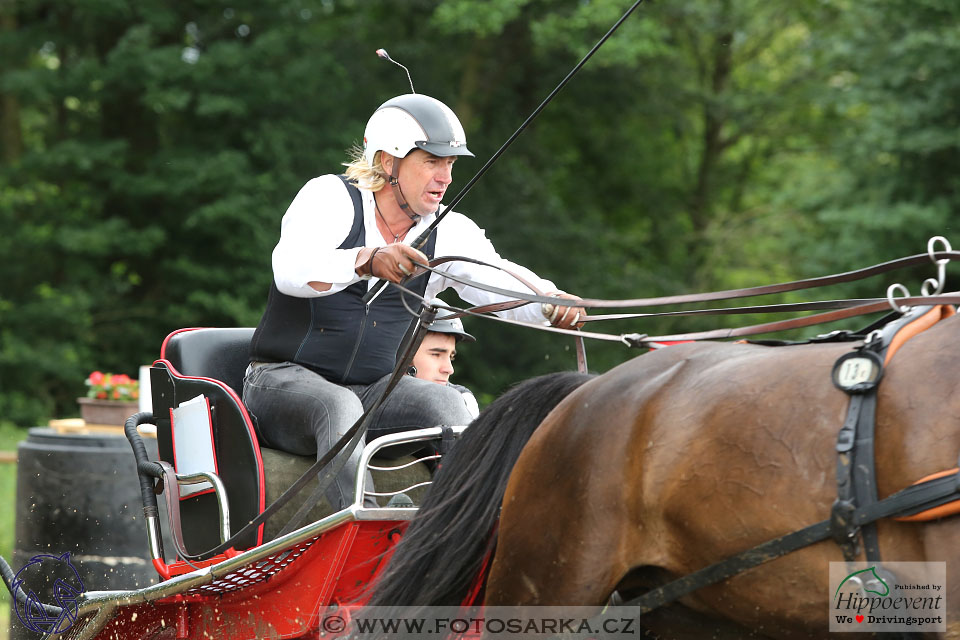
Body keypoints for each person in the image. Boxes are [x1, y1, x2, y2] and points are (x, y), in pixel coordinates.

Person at [243, 93, 586, 511]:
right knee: (339, 404)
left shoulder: (450, 230)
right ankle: (363, 524)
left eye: (451, 165)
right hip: (279, 383)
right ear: (389, 162)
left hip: (374, 392)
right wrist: (367, 259)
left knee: (450, 402)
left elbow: (497, 279)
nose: (445, 177)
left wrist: (549, 304)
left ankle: (468, 522)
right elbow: (291, 271)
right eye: (431, 161)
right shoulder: (330, 198)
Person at [410, 308, 480, 419]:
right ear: (404, 355)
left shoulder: (464, 400)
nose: (449, 369)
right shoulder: (378, 396)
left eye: (451, 357)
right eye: (436, 354)